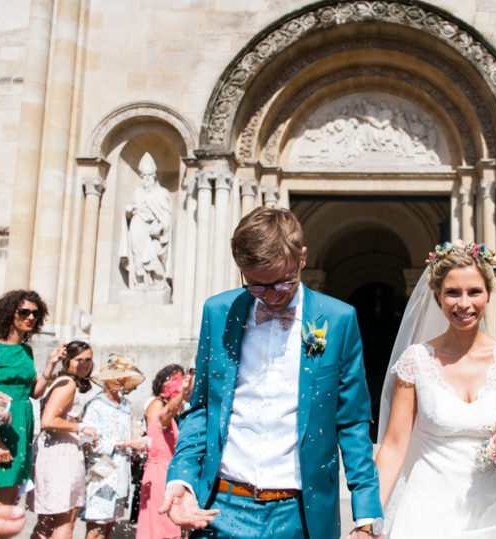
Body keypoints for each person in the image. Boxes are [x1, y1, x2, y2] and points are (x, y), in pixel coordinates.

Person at [161, 207, 383, 539]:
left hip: (300, 515)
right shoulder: (218, 311)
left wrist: (366, 516)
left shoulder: (338, 319)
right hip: (220, 508)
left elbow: (351, 421)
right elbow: (203, 407)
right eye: (257, 287)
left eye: (283, 282)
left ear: (302, 258)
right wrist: (181, 477)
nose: (272, 296)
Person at [375, 240, 496, 538]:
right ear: (438, 297)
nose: (464, 303)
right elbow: (393, 445)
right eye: (452, 292)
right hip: (427, 509)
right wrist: (368, 516)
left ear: (488, 294)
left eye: (474, 292)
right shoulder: (416, 360)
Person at [0, 290, 61, 505]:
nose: (30, 317)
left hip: (22, 427)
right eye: (24, 312)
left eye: (35, 314)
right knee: (0, 503)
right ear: (9, 314)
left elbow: (34, 392)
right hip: (0, 428)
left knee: (11, 500)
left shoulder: (26, 351)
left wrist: (51, 365)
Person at [28, 341, 98, 539]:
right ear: (67, 361)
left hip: (53, 450)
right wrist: (81, 427)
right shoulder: (67, 384)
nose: (84, 364)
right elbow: (48, 420)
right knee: (66, 518)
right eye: (79, 360)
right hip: (60, 454)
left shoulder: (62, 382)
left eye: (88, 360)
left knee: (47, 520)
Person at [81, 354, 147, 539]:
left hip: (121, 471)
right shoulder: (95, 405)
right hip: (101, 471)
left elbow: (128, 433)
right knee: (96, 527)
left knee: (110, 525)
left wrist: (136, 444)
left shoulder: (126, 405)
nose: (120, 380)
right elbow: (91, 442)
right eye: (116, 376)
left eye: (123, 376)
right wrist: (126, 443)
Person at [136, 364, 189, 539]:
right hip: (159, 473)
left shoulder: (172, 417)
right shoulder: (160, 411)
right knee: (162, 526)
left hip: (167, 471)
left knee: (168, 526)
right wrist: (184, 393)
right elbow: (165, 414)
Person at [119, 152, 172, 291]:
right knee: (136, 255)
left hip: (152, 232)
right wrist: (130, 211)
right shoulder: (137, 193)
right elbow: (130, 213)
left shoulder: (161, 193)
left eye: (149, 175)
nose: (147, 178)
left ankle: (158, 280)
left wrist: (160, 228)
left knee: (151, 255)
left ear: (154, 175)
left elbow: (166, 217)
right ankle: (140, 281)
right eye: (144, 175)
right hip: (137, 227)